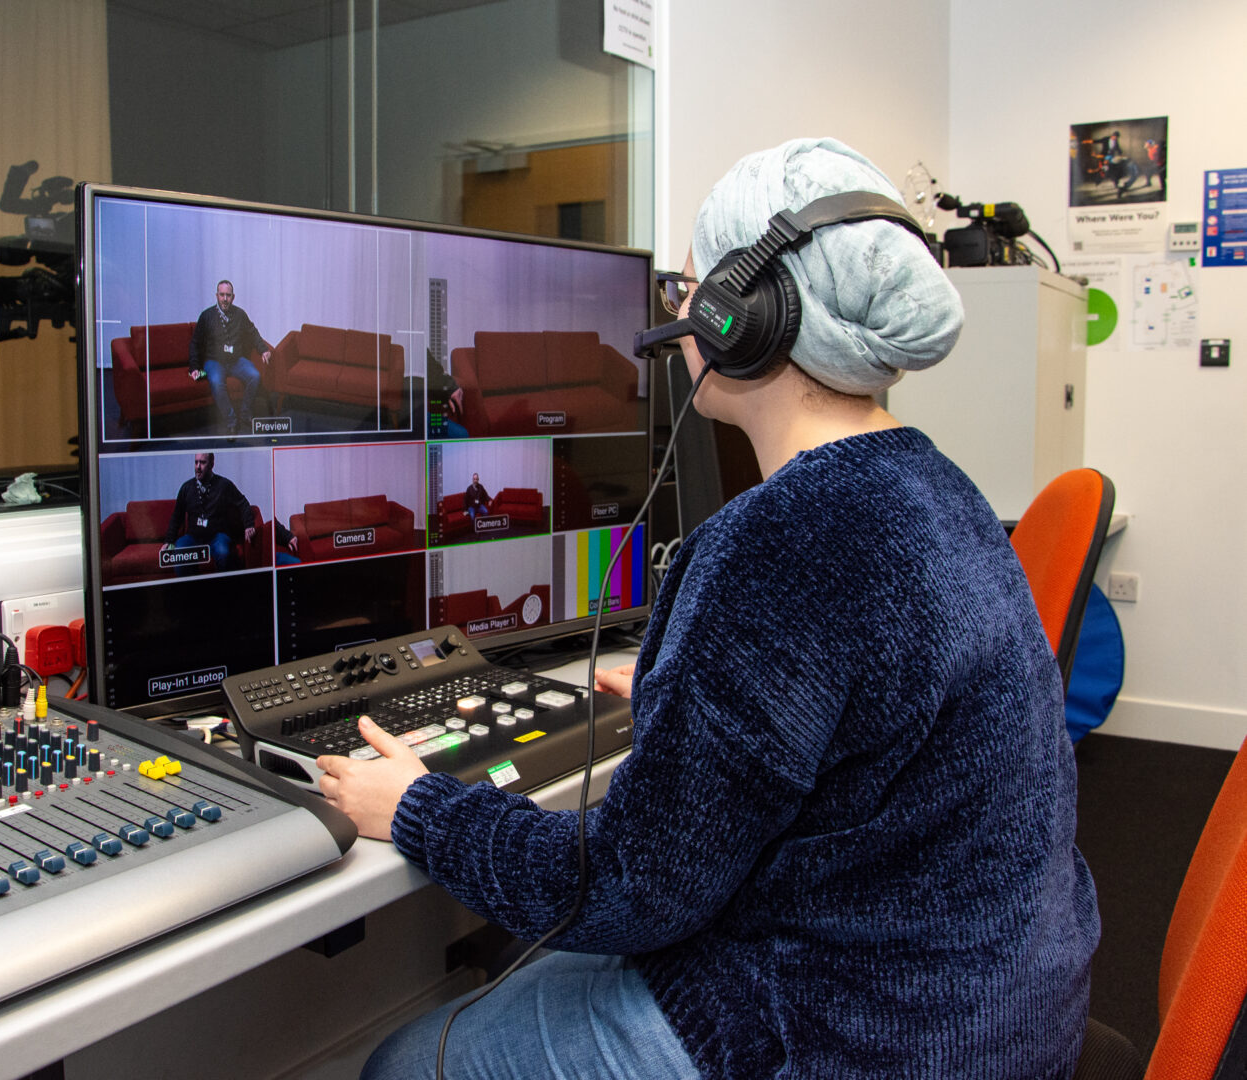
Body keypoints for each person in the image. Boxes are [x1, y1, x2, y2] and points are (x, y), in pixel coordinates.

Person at [318, 138, 1098, 1079]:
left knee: (402, 1062)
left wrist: (415, 809)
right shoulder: (937, 488)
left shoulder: (785, 540)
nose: (679, 318)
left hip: (856, 1039)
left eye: (689, 290)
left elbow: (629, 889)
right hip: (998, 1008)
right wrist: (686, 704)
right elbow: (872, 720)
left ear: (742, 316)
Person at [189, 279, 272, 435]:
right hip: (214, 361)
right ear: (216, 296)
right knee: (215, 381)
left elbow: (252, 332)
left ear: (233, 297)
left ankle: (245, 413)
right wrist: (194, 367)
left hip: (236, 361)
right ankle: (231, 420)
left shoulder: (240, 314)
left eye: (228, 295)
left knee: (254, 376)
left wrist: (263, 350)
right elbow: (195, 342)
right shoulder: (206, 316)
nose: (225, 299)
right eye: (222, 295)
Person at [166, 452, 256, 573]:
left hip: (217, 536)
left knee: (223, 553)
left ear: (212, 465)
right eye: (196, 462)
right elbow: (177, 516)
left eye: (202, 462)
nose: (198, 467)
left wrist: (249, 524)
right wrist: (169, 540)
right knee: (181, 550)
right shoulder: (186, 488)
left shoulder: (224, 485)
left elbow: (243, 503)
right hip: (193, 537)